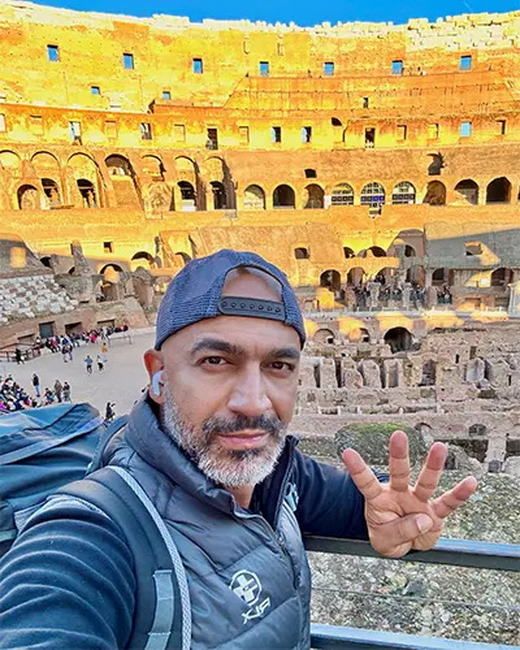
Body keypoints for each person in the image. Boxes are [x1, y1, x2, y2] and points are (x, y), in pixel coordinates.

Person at [0, 249, 477, 648]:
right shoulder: (91, 538)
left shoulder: (280, 476)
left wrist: (395, 518)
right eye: (216, 361)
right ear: (158, 375)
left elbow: (363, 509)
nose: (253, 402)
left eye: (278, 366)